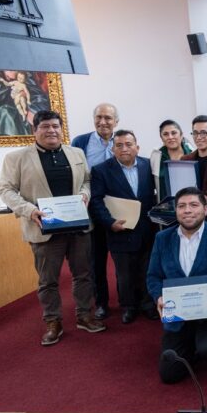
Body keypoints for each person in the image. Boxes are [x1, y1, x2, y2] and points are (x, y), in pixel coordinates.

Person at [0, 110, 106, 345]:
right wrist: (29, 210)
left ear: (61, 129)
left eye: (55, 126)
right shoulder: (17, 158)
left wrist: (84, 195)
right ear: (34, 130)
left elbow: (87, 181)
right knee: (48, 280)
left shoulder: (75, 152)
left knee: (84, 274)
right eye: (45, 126)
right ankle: (53, 321)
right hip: (43, 228)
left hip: (77, 226)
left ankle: (85, 315)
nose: (51, 131)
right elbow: (5, 189)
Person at [146, 187, 207, 382]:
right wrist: (158, 296)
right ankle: (191, 347)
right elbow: (153, 276)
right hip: (178, 315)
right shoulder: (162, 239)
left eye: (193, 205)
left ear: (205, 210)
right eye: (181, 206)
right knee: (170, 375)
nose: (187, 210)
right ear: (176, 211)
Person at [90, 129, 158, 324]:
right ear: (113, 149)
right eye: (119, 145)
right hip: (119, 230)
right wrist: (109, 222)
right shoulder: (101, 170)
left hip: (147, 228)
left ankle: (147, 304)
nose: (124, 149)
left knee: (147, 269)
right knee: (124, 273)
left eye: (129, 144)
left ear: (137, 147)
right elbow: (96, 201)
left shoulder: (147, 166)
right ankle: (128, 306)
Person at [71, 103, 119, 320]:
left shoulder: (123, 141)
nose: (103, 122)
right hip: (92, 211)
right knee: (96, 261)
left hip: (118, 210)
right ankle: (101, 303)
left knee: (124, 260)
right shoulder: (80, 143)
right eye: (99, 117)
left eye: (108, 118)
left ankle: (130, 300)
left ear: (116, 122)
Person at [150, 119, 194, 202]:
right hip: (166, 207)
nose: (170, 137)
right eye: (165, 134)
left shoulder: (192, 153)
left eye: (174, 133)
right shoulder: (156, 156)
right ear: (161, 138)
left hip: (190, 205)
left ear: (181, 135)